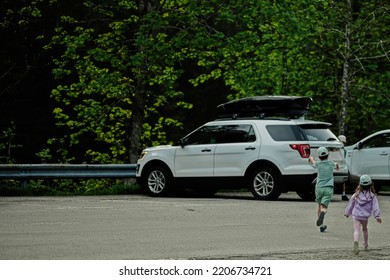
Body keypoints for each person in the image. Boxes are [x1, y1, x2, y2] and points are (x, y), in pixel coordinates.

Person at [344, 174, 382, 255]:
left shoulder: (356, 195)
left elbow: (351, 204)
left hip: (356, 215)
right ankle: (365, 244)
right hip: (365, 217)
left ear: (360, 184)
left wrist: (347, 213)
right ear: (370, 185)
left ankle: (356, 241)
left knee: (356, 230)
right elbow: (375, 207)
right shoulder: (372, 196)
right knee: (365, 229)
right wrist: (377, 216)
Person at [309, 146, 339, 232]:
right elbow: (336, 165)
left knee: (319, 205)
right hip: (328, 188)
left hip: (319, 188)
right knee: (324, 206)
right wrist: (337, 165)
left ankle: (321, 226)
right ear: (328, 155)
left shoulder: (318, 164)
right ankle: (323, 212)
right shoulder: (330, 163)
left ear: (319, 156)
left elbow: (313, 162)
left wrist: (311, 158)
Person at [338, 135, 349, 201]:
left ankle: (343, 194)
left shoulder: (334, 147)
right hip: (341, 166)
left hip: (336, 166)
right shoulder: (344, 150)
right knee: (343, 182)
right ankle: (343, 194)